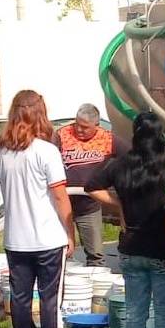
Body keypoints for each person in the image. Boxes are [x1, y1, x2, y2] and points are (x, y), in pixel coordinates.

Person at [86, 112, 165, 328]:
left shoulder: (120, 165)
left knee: (135, 311)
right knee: (164, 312)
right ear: (160, 134)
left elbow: (91, 186)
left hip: (130, 248)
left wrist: (119, 205)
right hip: (162, 249)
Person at [0, 90, 75, 328]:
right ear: (41, 114)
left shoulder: (3, 153)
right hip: (48, 237)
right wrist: (70, 234)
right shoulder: (46, 151)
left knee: (20, 296)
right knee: (51, 297)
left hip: (15, 239)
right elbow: (61, 197)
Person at [54, 103, 127, 266]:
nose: (79, 130)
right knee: (61, 252)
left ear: (97, 125)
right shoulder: (61, 135)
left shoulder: (107, 138)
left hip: (89, 205)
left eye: (85, 127)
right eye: (77, 124)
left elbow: (130, 157)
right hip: (62, 203)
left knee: (95, 254)